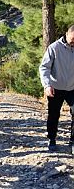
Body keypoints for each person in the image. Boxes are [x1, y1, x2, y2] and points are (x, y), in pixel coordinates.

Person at [39, 25, 74, 154]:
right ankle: (52, 139)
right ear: (66, 34)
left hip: (72, 88)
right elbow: (44, 68)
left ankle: (73, 141)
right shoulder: (54, 48)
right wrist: (47, 85)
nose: (73, 43)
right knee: (53, 115)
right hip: (56, 88)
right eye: (72, 39)